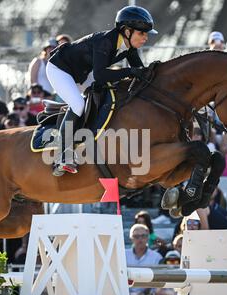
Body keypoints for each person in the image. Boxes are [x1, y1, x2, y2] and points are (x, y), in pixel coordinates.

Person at [46, 5, 157, 176]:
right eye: (141, 33)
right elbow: (100, 75)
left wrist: (156, 72)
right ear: (127, 31)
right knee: (78, 105)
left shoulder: (129, 47)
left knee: (104, 96)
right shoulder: (106, 41)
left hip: (82, 73)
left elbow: (140, 72)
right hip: (60, 69)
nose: (145, 38)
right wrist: (129, 72)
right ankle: (62, 156)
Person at [125, 224, 162, 295]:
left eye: (143, 236)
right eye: (136, 236)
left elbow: (157, 280)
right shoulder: (123, 254)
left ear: (148, 237)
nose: (140, 239)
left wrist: (146, 294)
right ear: (131, 238)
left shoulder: (157, 257)